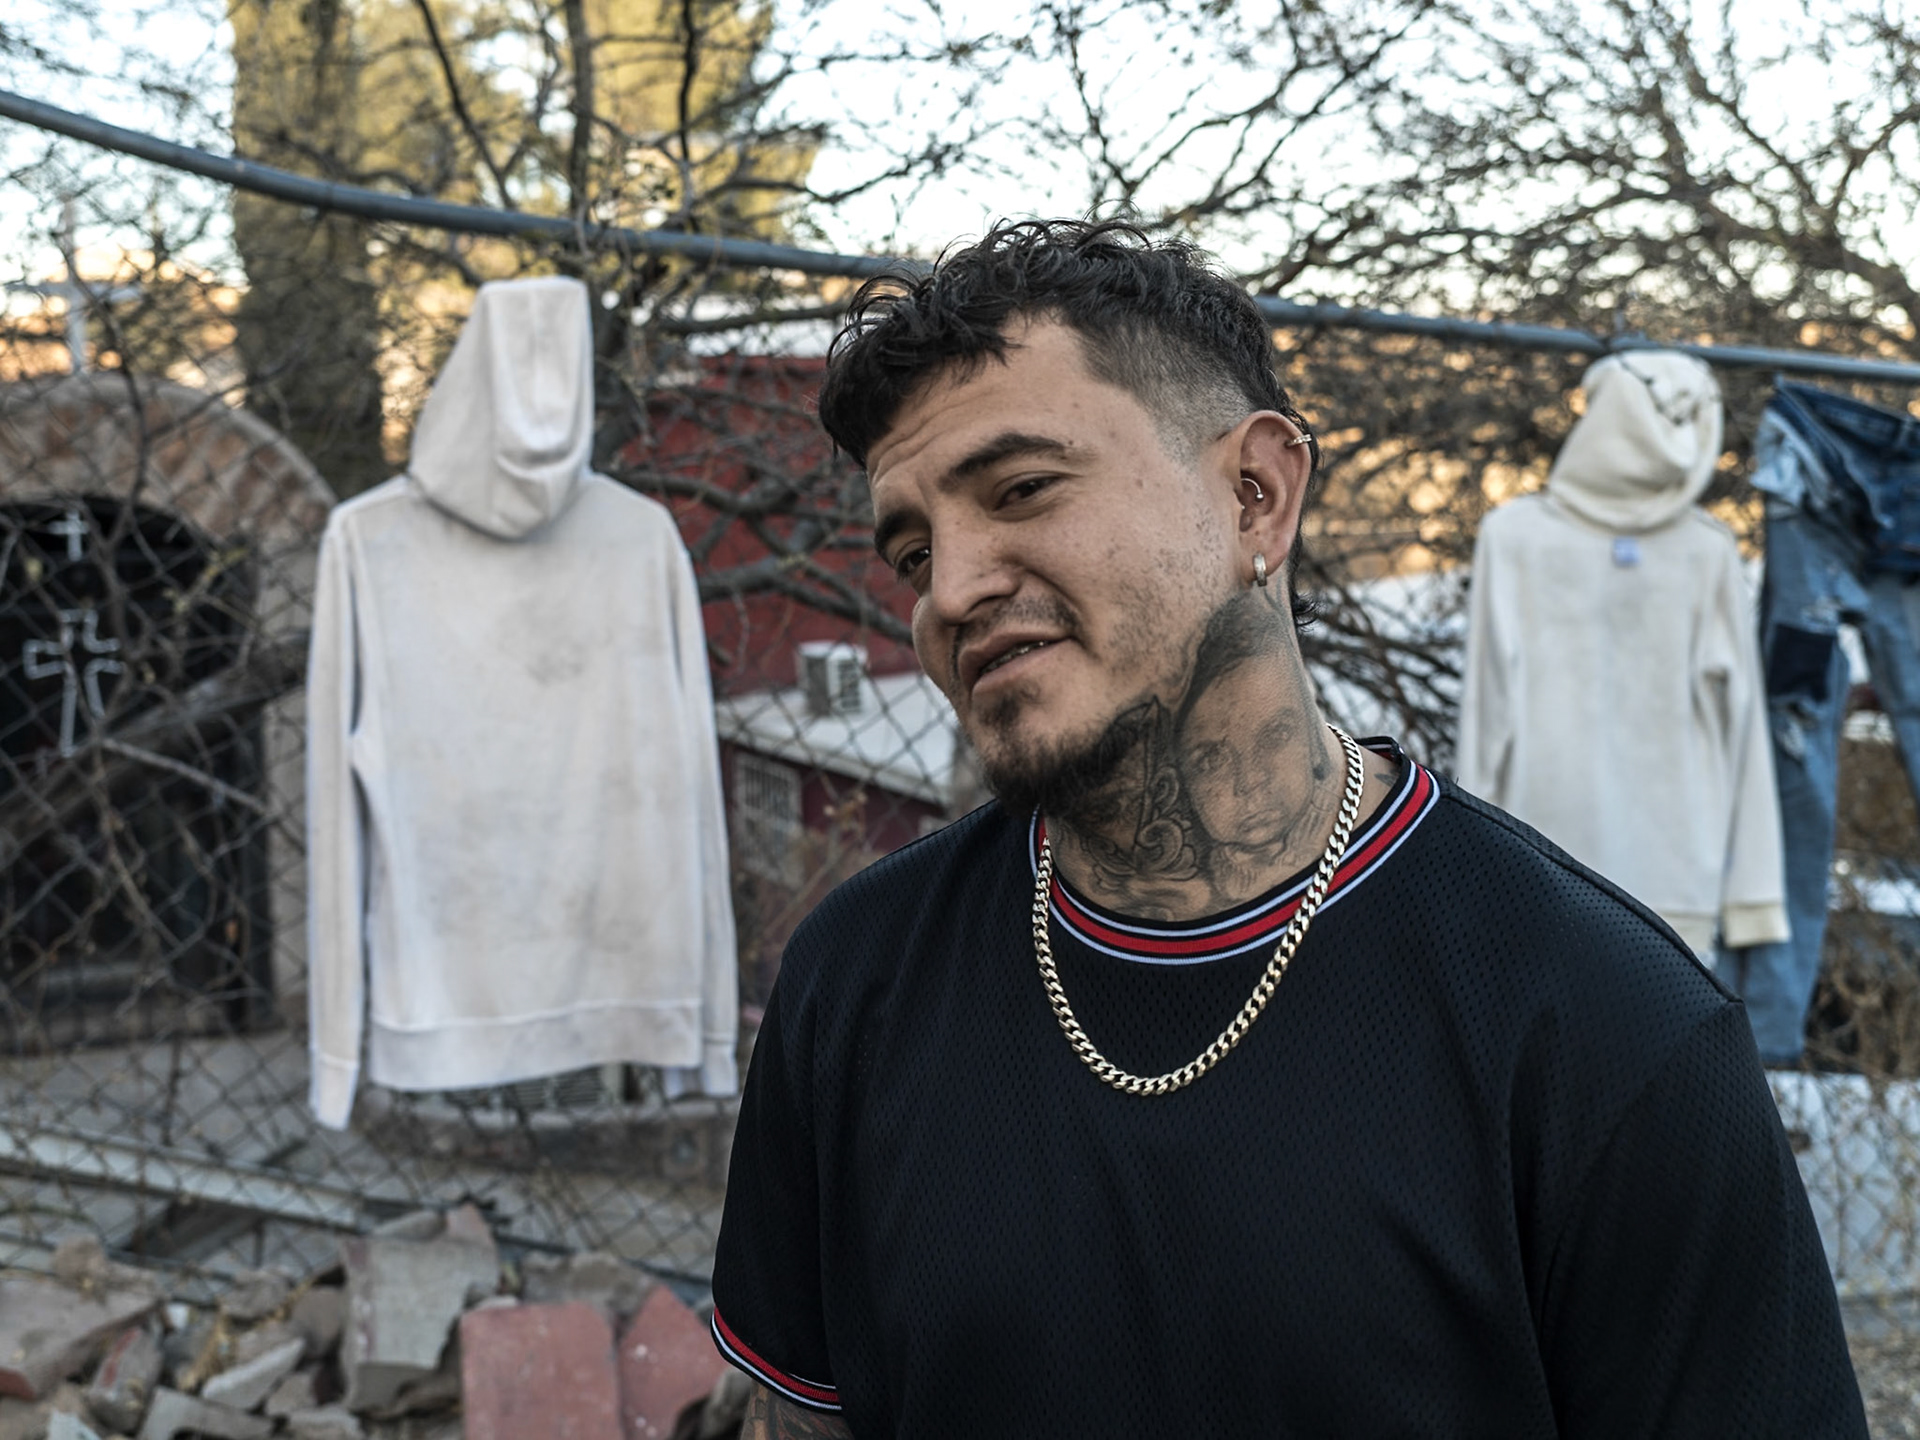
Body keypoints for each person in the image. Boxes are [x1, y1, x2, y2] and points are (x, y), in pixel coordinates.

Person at [708, 218, 1866, 1438]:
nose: (950, 591)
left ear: (1255, 496)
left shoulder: (1611, 1031)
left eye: (1024, 490)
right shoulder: (852, 983)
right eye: (912, 552)